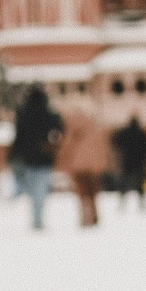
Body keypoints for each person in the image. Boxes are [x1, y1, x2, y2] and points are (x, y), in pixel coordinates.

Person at [9, 86, 63, 231]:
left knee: (33, 187)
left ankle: (36, 218)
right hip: (44, 157)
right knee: (40, 190)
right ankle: (37, 219)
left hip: (28, 158)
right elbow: (59, 130)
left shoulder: (23, 114)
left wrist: (14, 154)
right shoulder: (49, 115)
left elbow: (19, 138)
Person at [57, 95, 111, 228]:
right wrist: (102, 162)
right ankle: (94, 218)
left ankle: (84, 218)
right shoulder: (95, 125)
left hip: (77, 166)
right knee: (93, 193)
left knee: (82, 194)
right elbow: (102, 146)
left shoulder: (71, 126)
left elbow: (66, 147)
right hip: (93, 166)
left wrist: (62, 162)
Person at [112, 115, 146, 210]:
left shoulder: (126, 133)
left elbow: (116, 140)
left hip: (127, 163)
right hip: (139, 163)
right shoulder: (142, 134)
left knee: (124, 184)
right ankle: (141, 204)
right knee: (140, 186)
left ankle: (122, 204)